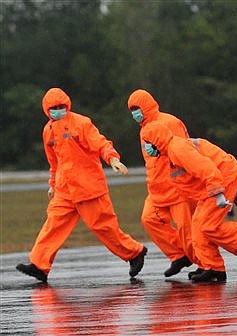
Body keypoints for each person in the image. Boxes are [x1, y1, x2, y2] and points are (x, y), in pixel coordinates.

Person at [16, 88, 147, 283]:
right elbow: (54, 162)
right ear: (46, 109)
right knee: (53, 225)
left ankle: (135, 252)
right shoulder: (48, 131)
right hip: (64, 189)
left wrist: (112, 159)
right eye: (54, 108)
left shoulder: (81, 123)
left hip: (88, 186)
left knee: (104, 227)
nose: (58, 110)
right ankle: (39, 265)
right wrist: (52, 183)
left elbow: (100, 143)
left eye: (61, 107)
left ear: (67, 106)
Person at [140, 121, 237, 282]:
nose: (147, 148)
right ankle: (214, 268)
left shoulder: (177, 150)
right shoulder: (170, 151)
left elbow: (207, 169)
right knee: (198, 226)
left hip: (222, 178)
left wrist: (218, 194)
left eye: (148, 143)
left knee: (207, 224)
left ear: (156, 141)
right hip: (215, 182)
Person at [127, 89, 198, 278]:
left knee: (187, 229)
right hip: (157, 188)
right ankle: (179, 255)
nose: (135, 112)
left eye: (137, 108)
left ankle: (206, 264)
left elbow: (185, 152)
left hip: (177, 186)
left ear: (147, 105)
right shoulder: (144, 130)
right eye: (132, 109)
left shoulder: (170, 122)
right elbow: (151, 162)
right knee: (149, 219)